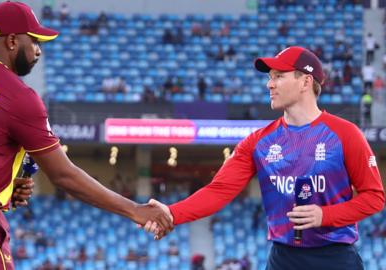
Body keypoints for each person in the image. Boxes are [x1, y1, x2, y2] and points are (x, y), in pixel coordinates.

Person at [0, 2, 172, 270]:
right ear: (12, 41)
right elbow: (63, 175)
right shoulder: (18, 95)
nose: (38, 50)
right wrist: (133, 210)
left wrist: (4, 187)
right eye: (34, 41)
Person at [143, 46, 384, 270]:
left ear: (305, 81)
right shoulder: (258, 142)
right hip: (282, 258)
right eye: (270, 77)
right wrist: (172, 213)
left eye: (279, 76)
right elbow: (219, 191)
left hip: (336, 258)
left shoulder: (345, 134)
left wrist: (325, 216)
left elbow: (374, 197)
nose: (270, 84)